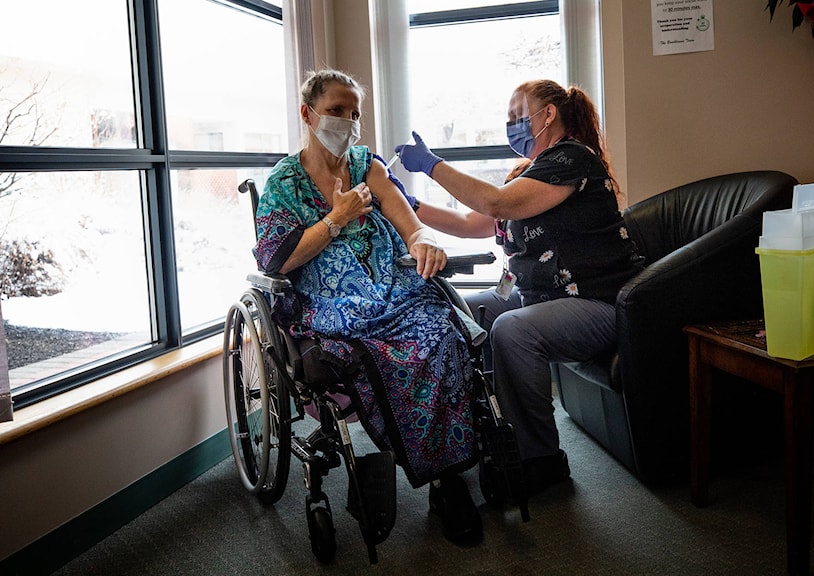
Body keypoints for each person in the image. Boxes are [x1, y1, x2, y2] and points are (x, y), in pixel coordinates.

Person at [253, 68, 482, 544]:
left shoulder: (366, 166)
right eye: (336, 110)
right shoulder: (283, 182)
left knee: (440, 334)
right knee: (373, 352)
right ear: (308, 113)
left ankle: (445, 479)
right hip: (328, 297)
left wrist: (424, 241)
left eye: (354, 113)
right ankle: (387, 457)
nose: (348, 121)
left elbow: (406, 220)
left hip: (390, 287)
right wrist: (334, 220)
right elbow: (277, 258)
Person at [395, 79, 643, 496]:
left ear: (548, 115)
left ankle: (540, 460)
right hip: (539, 298)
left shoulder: (572, 159)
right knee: (458, 311)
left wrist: (432, 165)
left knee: (514, 330)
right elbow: (473, 223)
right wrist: (406, 204)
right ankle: (482, 435)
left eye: (518, 116)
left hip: (595, 303)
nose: (512, 126)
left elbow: (496, 203)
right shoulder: (528, 174)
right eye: (509, 120)